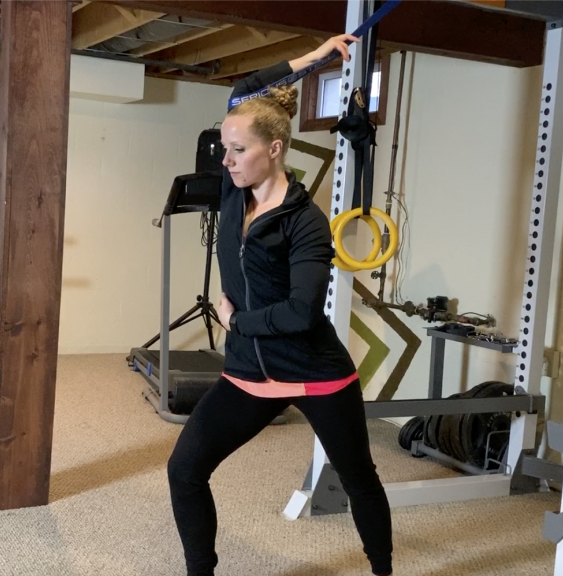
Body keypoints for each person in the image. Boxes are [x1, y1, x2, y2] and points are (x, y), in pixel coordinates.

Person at [166, 34, 394, 576]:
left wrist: (235, 320)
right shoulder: (231, 188)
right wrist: (314, 59)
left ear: (274, 149)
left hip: (315, 373)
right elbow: (245, 89)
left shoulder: (305, 223)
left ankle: (383, 570)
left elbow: (301, 313)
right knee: (185, 470)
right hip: (248, 374)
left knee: (359, 476)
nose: (227, 160)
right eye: (225, 148)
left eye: (238, 150)